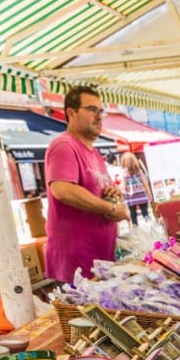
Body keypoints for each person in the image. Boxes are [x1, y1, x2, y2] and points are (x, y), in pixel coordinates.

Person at [44, 85, 129, 285]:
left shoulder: (93, 153)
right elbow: (63, 190)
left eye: (101, 111)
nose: (99, 116)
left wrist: (112, 193)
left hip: (98, 260)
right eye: (92, 110)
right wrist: (111, 208)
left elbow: (94, 190)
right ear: (71, 113)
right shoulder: (64, 146)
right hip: (77, 266)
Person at [119, 151, 153, 226]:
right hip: (142, 195)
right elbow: (145, 184)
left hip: (131, 197)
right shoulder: (139, 171)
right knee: (145, 213)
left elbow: (124, 186)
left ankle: (136, 230)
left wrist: (121, 193)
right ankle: (151, 226)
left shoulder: (125, 173)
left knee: (133, 214)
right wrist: (150, 195)